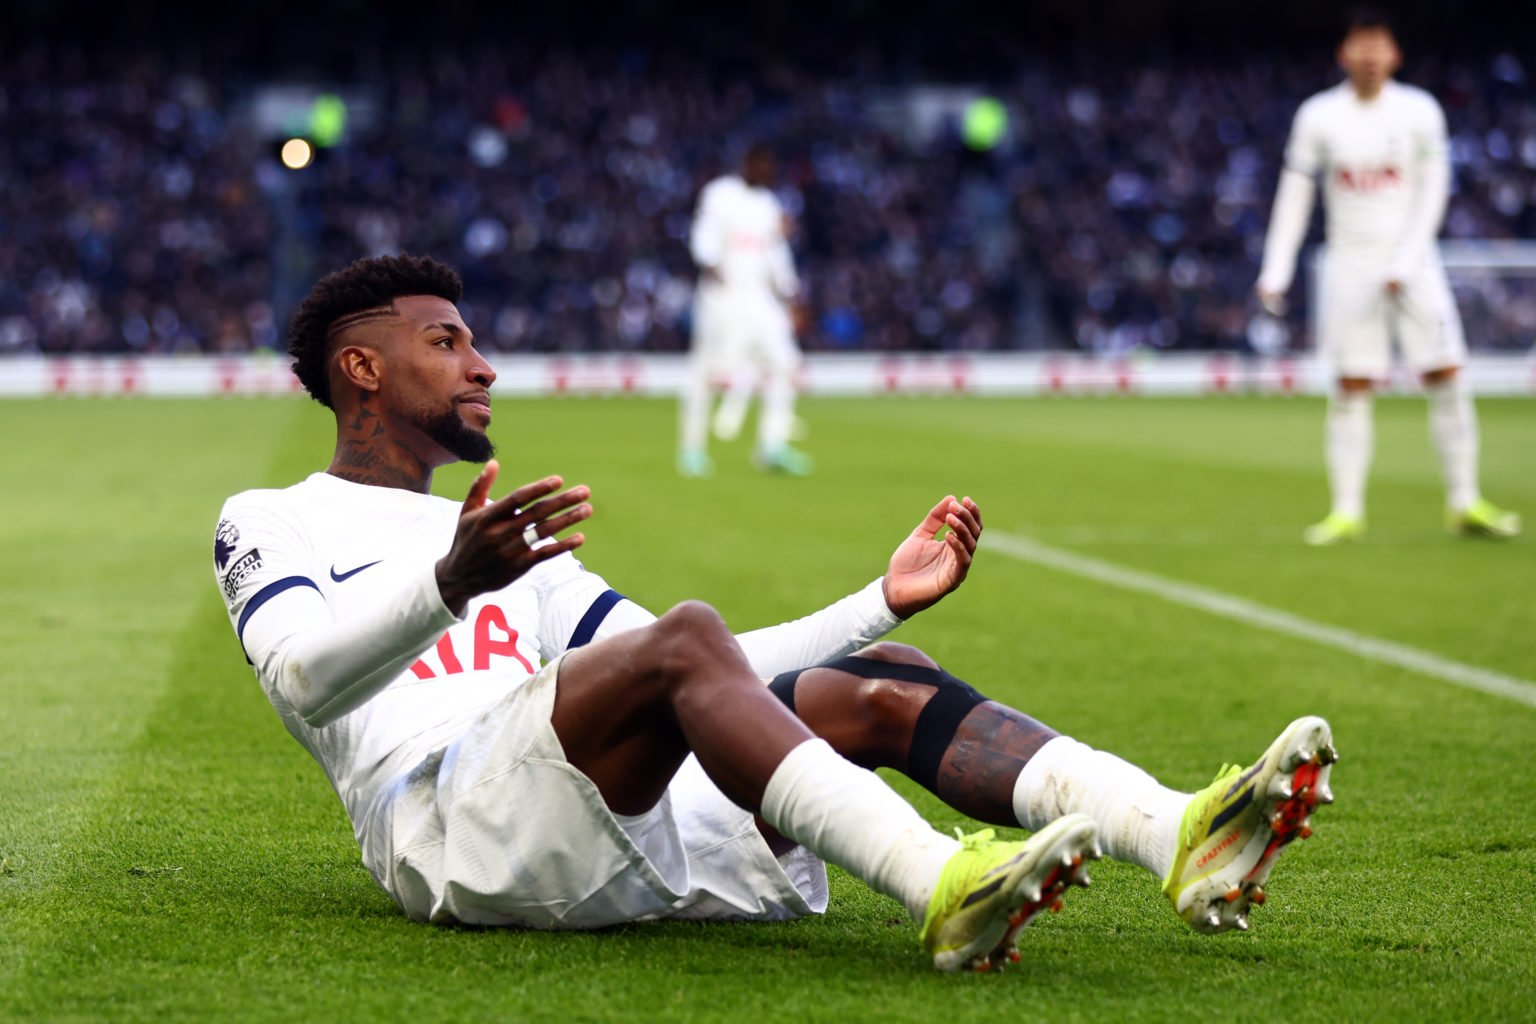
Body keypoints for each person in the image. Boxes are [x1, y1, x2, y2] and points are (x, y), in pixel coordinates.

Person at [215, 255, 1337, 972]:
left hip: (571, 798)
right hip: (450, 826)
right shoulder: (271, 518)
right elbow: (302, 679)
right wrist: (451, 581)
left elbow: (707, 669)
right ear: (361, 366)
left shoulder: (501, 535)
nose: (484, 363)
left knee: (887, 676)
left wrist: (871, 600)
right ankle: (940, 884)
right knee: (689, 636)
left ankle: (1176, 833)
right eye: (447, 342)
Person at [1256, 9, 1521, 546]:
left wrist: (1406, 255)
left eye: (1380, 44)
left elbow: (1433, 189)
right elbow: (1295, 194)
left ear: (1395, 54)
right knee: (1352, 385)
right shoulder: (1319, 116)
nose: (1371, 54)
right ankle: (1346, 511)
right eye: (1361, 44)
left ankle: (1464, 501)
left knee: (1447, 374)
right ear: (1344, 53)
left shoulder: (1419, 111)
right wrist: (1276, 267)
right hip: (1350, 267)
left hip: (1414, 264)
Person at [679, 144, 813, 478]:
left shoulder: (769, 204)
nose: (767, 172)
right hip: (721, 297)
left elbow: (776, 254)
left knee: (785, 363)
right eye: (762, 165)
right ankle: (692, 449)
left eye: (771, 167)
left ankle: (772, 446)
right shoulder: (720, 194)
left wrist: (791, 295)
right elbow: (704, 236)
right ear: (748, 164)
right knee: (707, 373)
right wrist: (711, 267)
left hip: (760, 299)